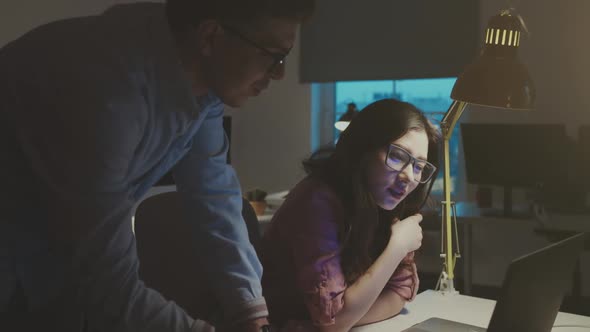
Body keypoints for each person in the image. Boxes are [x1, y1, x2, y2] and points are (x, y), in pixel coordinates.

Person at [0, 0, 314, 331]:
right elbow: (109, 283)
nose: (279, 73)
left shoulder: (199, 83)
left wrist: (250, 311)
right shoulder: (108, 93)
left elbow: (214, 192)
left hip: (51, 271)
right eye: (273, 55)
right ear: (210, 37)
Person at [260, 99, 441, 330]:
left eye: (419, 166)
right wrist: (397, 248)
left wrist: (340, 320)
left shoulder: (386, 200)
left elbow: (399, 293)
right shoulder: (317, 201)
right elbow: (336, 323)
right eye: (397, 156)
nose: (409, 177)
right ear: (362, 150)